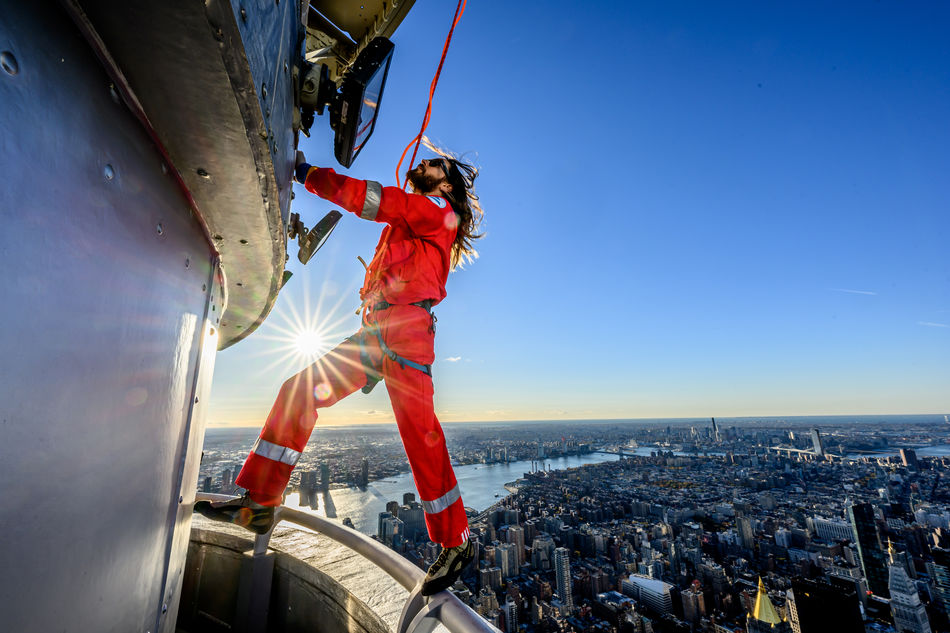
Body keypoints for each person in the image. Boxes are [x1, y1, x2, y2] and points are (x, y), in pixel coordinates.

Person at [195, 148, 483, 596]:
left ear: (445, 185)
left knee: (420, 433)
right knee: (300, 389)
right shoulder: (412, 223)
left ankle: (456, 541)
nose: (424, 164)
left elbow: (373, 199)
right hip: (379, 331)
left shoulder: (435, 209)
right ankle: (262, 502)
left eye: (434, 165)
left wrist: (309, 175)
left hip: (406, 331)